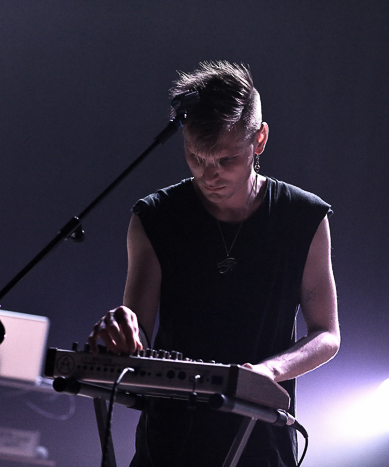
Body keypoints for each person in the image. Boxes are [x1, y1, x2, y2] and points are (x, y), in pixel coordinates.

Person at [87, 61, 340, 467]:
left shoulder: (303, 217)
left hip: (261, 439)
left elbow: (327, 334)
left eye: (226, 160)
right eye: (196, 157)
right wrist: (120, 331)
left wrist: (269, 371)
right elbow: (137, 328)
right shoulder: (155, 217)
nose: (210, 175)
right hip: (168, 440)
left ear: (259, 139)